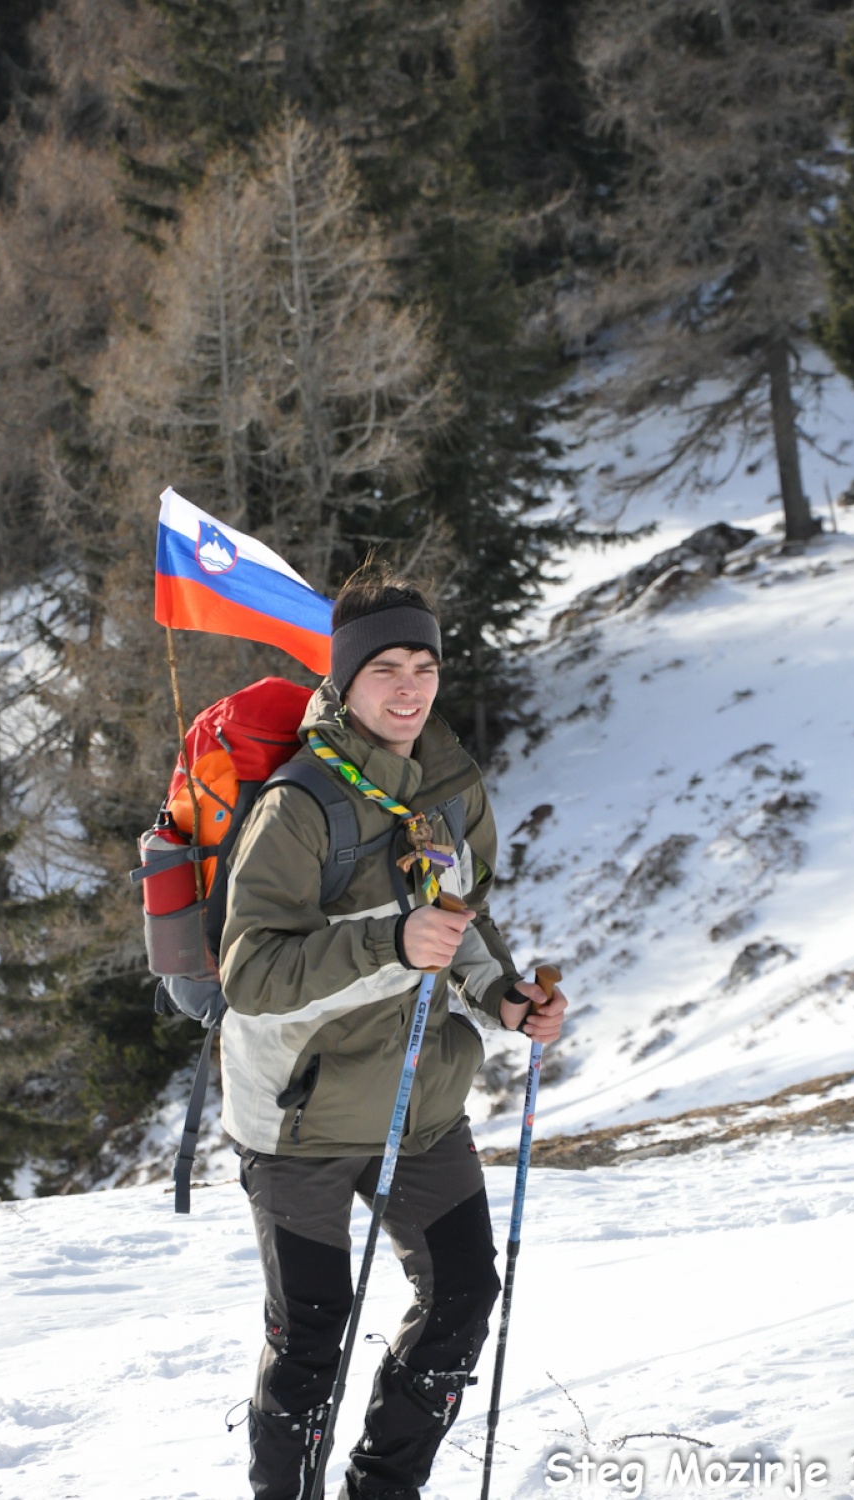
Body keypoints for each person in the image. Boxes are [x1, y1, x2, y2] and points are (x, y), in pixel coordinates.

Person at [219, 565, 567, 1500]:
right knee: (310, 1346)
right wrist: (390, 940)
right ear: (344, 680)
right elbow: (248, 975)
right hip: (299, 1121)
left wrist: (502, 1001)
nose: (410, 686)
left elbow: (462, 923)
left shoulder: (442, 787)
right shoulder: (299, 807)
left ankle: (384, 1488)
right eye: (386, 669)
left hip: (418, 1105)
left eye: (425, 665)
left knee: (462, 1298)